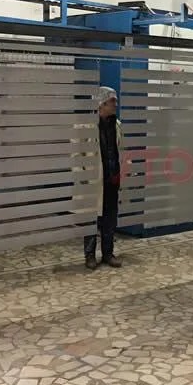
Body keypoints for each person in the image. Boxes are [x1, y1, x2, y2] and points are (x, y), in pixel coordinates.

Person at [83, 86, 123, 270]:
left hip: (111, 180)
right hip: (94, 182)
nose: (116, 105)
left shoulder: (117, 125)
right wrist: (83, 176)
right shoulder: (86, 126)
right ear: (102, 104)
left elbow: (120, 150)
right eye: (112, 101)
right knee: (92, 219)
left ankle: (108, 253)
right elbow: (77, 154)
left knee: (110, 218)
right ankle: (90, 255)